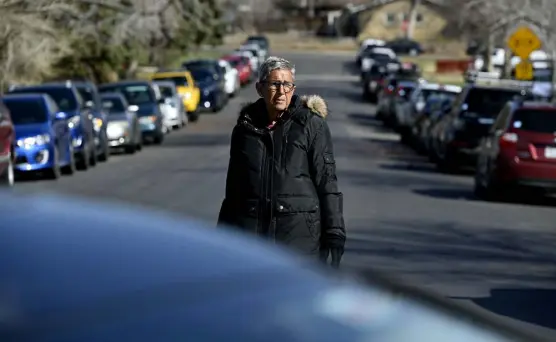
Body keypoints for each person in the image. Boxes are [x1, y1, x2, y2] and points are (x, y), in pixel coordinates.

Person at [218, 56, 346, 268]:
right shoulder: (244, 131)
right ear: (260, 88)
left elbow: (327, 182)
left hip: (299, 240)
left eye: (287, 85)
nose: (282, 91)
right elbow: (233, 190)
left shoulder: (310, 126)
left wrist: (334, 231)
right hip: (252, 240)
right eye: (275, 84)